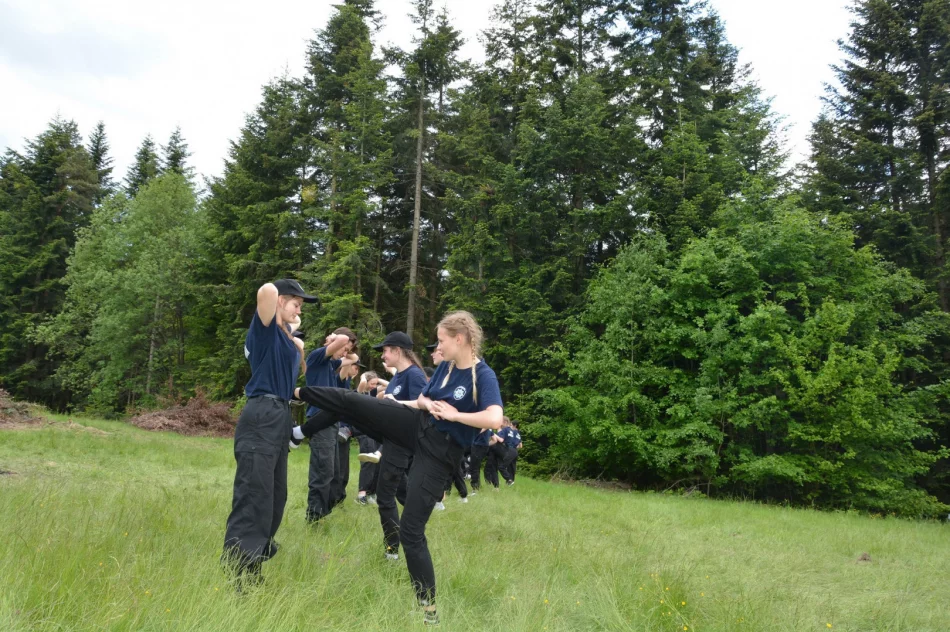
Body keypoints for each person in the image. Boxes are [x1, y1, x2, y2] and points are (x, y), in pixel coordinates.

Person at [293, 312, 503, 626]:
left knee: (411, 532)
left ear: (460, 339)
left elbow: (494, 419)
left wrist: (455, 415)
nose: (439, 347)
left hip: (441, 454)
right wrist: (416, 404)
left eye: (442, 340)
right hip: (417, 426)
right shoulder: (444, 368)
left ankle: (428, 610)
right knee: (354, 403)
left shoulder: (482, 375)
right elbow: (422, 399)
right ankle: (293, 395)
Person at [222, 278, 317, 588]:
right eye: (295, 302)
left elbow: (294, 351)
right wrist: (279, 301)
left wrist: (294, 331)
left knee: (275, 496)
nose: (299, 308)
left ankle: (254, 562)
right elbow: (265, 290)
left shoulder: (284, 338)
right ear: (279, 302)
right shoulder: (263, 330)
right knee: (254, 493)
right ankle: (238, 570)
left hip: (279, 415)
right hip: (261, 414)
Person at [303, 327, 359, 524]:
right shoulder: (317, 358)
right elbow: (342, 338)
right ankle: (314, 516)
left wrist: (346, 348)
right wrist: (336, 339)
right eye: (343, 348)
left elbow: (353, 358)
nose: (345, 352)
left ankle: (323, 512)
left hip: (331, 422)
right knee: (322, 470)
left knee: (333, 471)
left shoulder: (331, 364)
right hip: (319, 419)